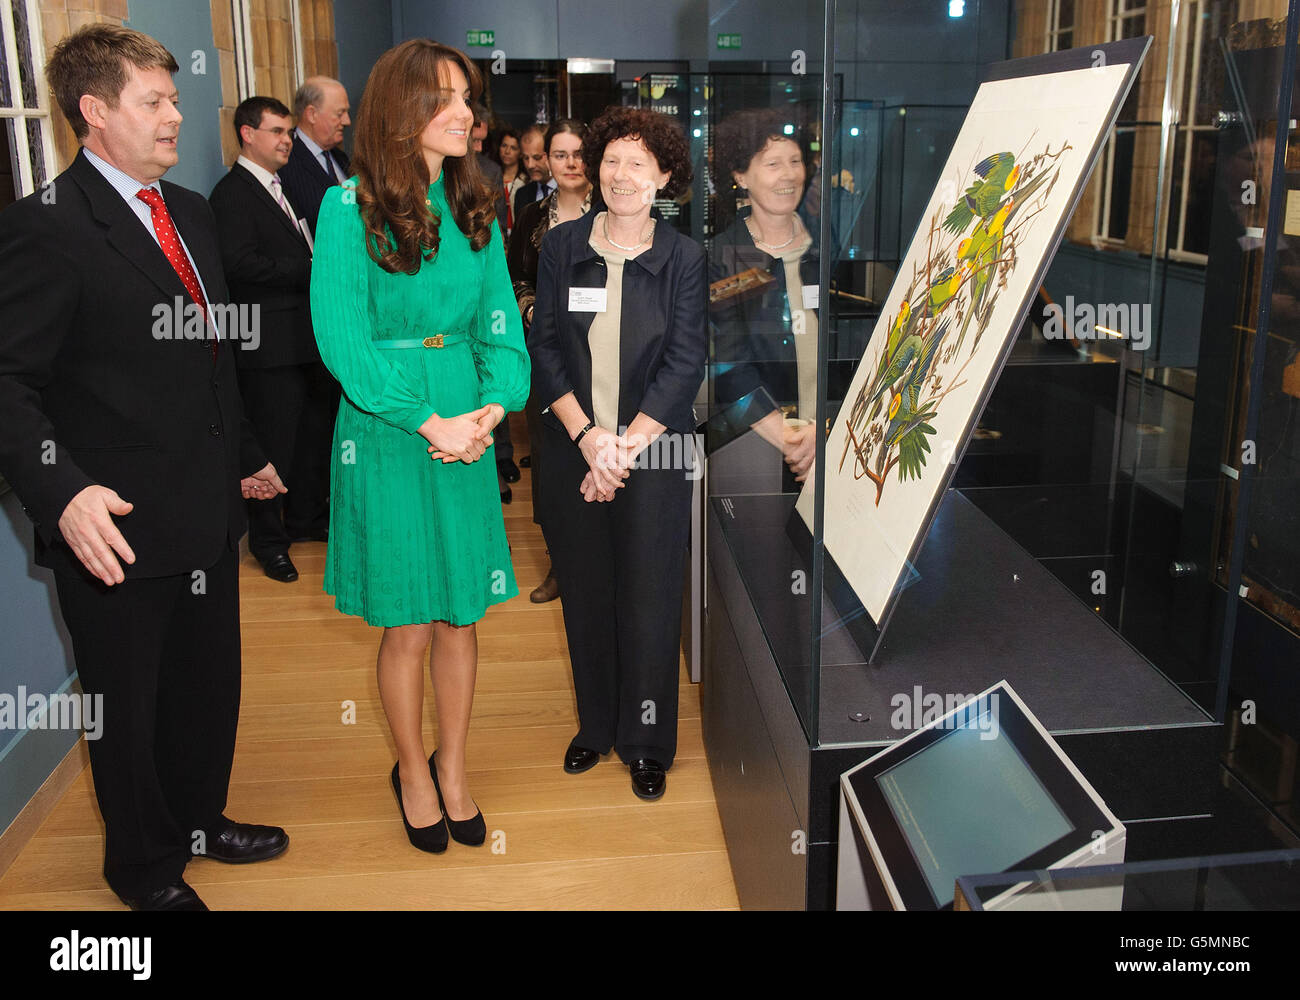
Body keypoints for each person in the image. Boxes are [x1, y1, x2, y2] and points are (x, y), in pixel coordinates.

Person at [0, 24, 288, 910]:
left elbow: (210, 356)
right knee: (127, 715)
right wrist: (65, 492)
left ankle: (201, 820)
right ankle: (147, 869)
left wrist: (246, 458)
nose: (176, 117)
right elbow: (7, 380)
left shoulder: (192, 210)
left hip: (206, 510)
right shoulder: (43, 228)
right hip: (114, 527)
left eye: (174, 98)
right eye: (154, 101)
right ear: (94, 112)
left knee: (207, 692)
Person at [309, 38, 529, 851]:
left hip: (466, 425)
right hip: (388, 430)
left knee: (460, 616)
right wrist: (429, 420)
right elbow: (344, 342)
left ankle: (456, 768)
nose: (466, 113)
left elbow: (501, 326)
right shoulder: (347, 209)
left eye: (467, 98)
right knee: (406, 622)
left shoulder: (477, 209)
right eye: (446, 97)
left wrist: (492, 412)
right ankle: (410, 771)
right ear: (400, 110)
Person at [530, 107, 706, 800]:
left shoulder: (684, 257)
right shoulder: (562, 246)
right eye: (612, 161)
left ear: (665, 176)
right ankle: (594, 728)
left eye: (639, 163)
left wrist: (622, 450)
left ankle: (645, 741)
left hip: (652, 453)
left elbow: (685, 362)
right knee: (587, 593)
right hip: (573, 444)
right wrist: (588, 441)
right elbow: (543, 347)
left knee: (652, 596)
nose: (621, 175)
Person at [210, 96, 324, 582]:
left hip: (303, 341)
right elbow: (237, 265)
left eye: (290, 133)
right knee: (271, 444)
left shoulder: (285, 188)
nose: (286, 141)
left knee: (309, 440)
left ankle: (305, 520)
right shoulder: (231, 194)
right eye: (277, 131)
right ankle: (268, 541)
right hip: (266, 348)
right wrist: (310, 270)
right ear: (247, 134)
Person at [507, 119, 593, 604]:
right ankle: (560, 566)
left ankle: (598, 563)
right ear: (546, 161)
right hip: (548, 356)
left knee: (600, 450)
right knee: (551, 459)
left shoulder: (612, 209)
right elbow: (514, 275)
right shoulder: (530, 213)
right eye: (559, 155)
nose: (570, 163)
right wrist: (533, 308)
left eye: (579, 153)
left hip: (603, 356)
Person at [710, 109, 819, 485]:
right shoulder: (724, 256)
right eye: (773, 163)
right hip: (751, 446)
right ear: (741, 176)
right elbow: (726, 365)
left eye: (795, 161)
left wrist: (822, 430)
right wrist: (789, 439)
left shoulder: (827, 250)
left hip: (833, 440)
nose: (788, 174)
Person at [279, 75, 351, 239]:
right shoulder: (286, 162)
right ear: (311, 114)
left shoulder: (341, 159)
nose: (347, 121)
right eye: (340, 114)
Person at [512, 123, 554, 220]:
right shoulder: (522, 195)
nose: (530, 165)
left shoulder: (567, 191)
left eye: (537, 157)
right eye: (525, 158)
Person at [493, 125, 523, 236]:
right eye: (504, 145)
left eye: (513, 148)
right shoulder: (491, 176)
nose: (507, 151)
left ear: (520, 152)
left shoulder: (525, 180)